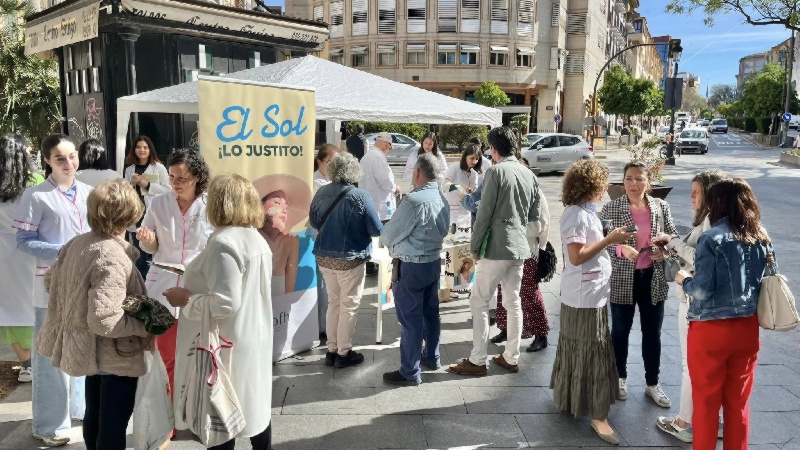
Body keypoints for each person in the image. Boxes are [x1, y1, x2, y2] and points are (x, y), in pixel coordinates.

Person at [36, 179, 152, 450]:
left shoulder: (78, 243)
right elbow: (104, 320)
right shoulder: (110, 255)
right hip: (114, 353)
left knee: (96, 417)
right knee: (112, 426)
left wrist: (74, 303)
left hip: (87, 349)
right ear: (131, 214)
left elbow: (51, 281)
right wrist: (143, 324)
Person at [164, 174, 274, 450]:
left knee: (222, 412)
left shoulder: (225, 243)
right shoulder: (255, 238)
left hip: (226, 342)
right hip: (252, 334)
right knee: (255, 407)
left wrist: (186, 299)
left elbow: (225, 303)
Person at [676, 178, 770, 450]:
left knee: (705, 404)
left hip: (710, 330)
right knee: (738, 404)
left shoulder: (711, 237)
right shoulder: (760, 235)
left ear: (717, 203)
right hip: (747, 329)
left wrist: (684, 280)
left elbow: (702, 290)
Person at [551, 158, 636, 444]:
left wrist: (618, 245)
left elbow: (589, 248)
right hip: (584, 296)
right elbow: (577, 256)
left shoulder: (585, 211)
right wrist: (610, 240)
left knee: (578, 348)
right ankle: (598, 417)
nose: (606, 188)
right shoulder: (576, 214)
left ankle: (570, 399)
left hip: (589, 293)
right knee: (594, 351)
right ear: (591, 185)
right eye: (603, 182)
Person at [13, 134, 89, 446]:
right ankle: (49, 425)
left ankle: (79, 410)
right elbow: (23, 241)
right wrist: (63, 250)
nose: (68, 163)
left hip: (85, 284)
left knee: (82, 348)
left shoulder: (89, 192)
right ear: (47, 161)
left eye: (72, 156)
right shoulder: (36, 196)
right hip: (51, 287)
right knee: (48, 356)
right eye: (60, 158)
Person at [448, 127, 538, 376]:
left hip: (497, 247)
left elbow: (484, 212)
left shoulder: (496, 172)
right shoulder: (527, 173)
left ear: (494, 150)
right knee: (513, 302)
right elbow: (534, 214)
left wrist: (474, 249)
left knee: (478, 301)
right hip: (519, 246)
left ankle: (478, 360)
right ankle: (511, 356)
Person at [653, 170, 727, 443]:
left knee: (690, 365)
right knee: (711, 368)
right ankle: (716, 421)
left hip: (695, 300)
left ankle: (684, 422)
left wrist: (671, 242)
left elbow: (700, 258)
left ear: (710, 195)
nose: (691, 196)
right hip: (719, 308)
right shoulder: (728, 222)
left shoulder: (710, 223)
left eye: (696, 191)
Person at [600, 160, 677, 408]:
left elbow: (672, 239)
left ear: (648, 182)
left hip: (652, 279)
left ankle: (652, 383)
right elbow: (603, 243)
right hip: (623, 278)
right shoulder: (612, 208)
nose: (634, 184)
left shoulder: (661, 207)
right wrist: (622, 248)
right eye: (629, 179)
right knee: (620, 332)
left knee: (652, 333)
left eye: (639, 179)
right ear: (622, 183)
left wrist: (662, 253)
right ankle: (619, 377)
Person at [135, 148, 213, 391]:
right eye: (172, 177)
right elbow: (150, 246)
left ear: (197, 177)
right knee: (166, 355)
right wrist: (147, 241)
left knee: (198, 355)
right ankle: (170, 417)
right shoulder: (159, 203)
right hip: (163, 286)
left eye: (183, 178)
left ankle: (194, 412)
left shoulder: (210, 205)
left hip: (197, 287)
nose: (176, 183)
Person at [380, 153, 449, 385]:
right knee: (431, 313)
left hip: (411, 265)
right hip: (432, 263)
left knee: (411, 320)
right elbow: (444, 229)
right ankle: (432, 356)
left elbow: (388, 234)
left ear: (418, 172)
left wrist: (394, 245)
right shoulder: (441, 197)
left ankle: (410, 371)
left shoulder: (413, 201)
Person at [310, 152, 383, 368]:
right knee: (349, 305)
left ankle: (331, 350)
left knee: (334, 302)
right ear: (353, 171)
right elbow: (376, 229)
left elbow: (314, 222)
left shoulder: (321, 191)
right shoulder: (360, 196)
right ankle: (343, 352)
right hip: (350, 257)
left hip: (324, 256)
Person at [0, 135, 44, 384]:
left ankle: (26, 363)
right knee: (35, 304)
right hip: (29, 250)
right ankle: (37, 360)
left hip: (3, 254)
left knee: (7, 308)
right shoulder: (35, 182)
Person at [492, 188, 552, 353]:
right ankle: (506, 329)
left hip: (527, 252)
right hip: (504, 249)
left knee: (528, 292)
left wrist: (510, 223)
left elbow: (540, 226)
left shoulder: (536, 194)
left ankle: (541, 334)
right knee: (503, 290)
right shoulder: (505, 190)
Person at [253, 174, 310, 297]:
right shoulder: (249, 238)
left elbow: (288, 293)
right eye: (277, 202)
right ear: (260, 207)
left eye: (286, 206)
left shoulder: (291, 243)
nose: (284, 209)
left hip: (279, 313)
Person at [123, 135, 170, 277]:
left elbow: (168, 190)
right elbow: (126, 193)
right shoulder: (130, 169)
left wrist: (147, 185)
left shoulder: (159, 168)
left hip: (154, 213)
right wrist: (131, 184)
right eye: (138, 147)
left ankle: (154, 281)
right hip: (136, 215)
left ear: (150, 149)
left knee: (154, 250)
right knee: (140, 254)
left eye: (145, 147)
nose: (141, 150)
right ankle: (142, 284)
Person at [312, 143, 340, 337]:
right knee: (322, 284)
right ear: (320, 162)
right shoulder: (317, 183)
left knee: (329, 286)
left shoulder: (332, 182)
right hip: (319, 238)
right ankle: (321, 326)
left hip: (331, 239)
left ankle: (325, 324)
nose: (333, 166)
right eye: (330, 162)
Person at [360, 132, 400, 221]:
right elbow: (385, 180)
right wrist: (395, 188)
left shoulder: (366, 157)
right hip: (380, 207)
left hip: (368, 203)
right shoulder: (378, 157)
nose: (389, 149)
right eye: (390, 147)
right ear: (387, 144)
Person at [443, 145, 481, 230]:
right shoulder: (454, 168)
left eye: (477, 159)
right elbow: (445, 186)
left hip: (466, 215)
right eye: (472, 158)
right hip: (452, 214)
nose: (474, 161)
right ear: (465, 156)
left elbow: (475, 192)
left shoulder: (474, 174)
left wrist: (471, 192)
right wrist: (459, 187)